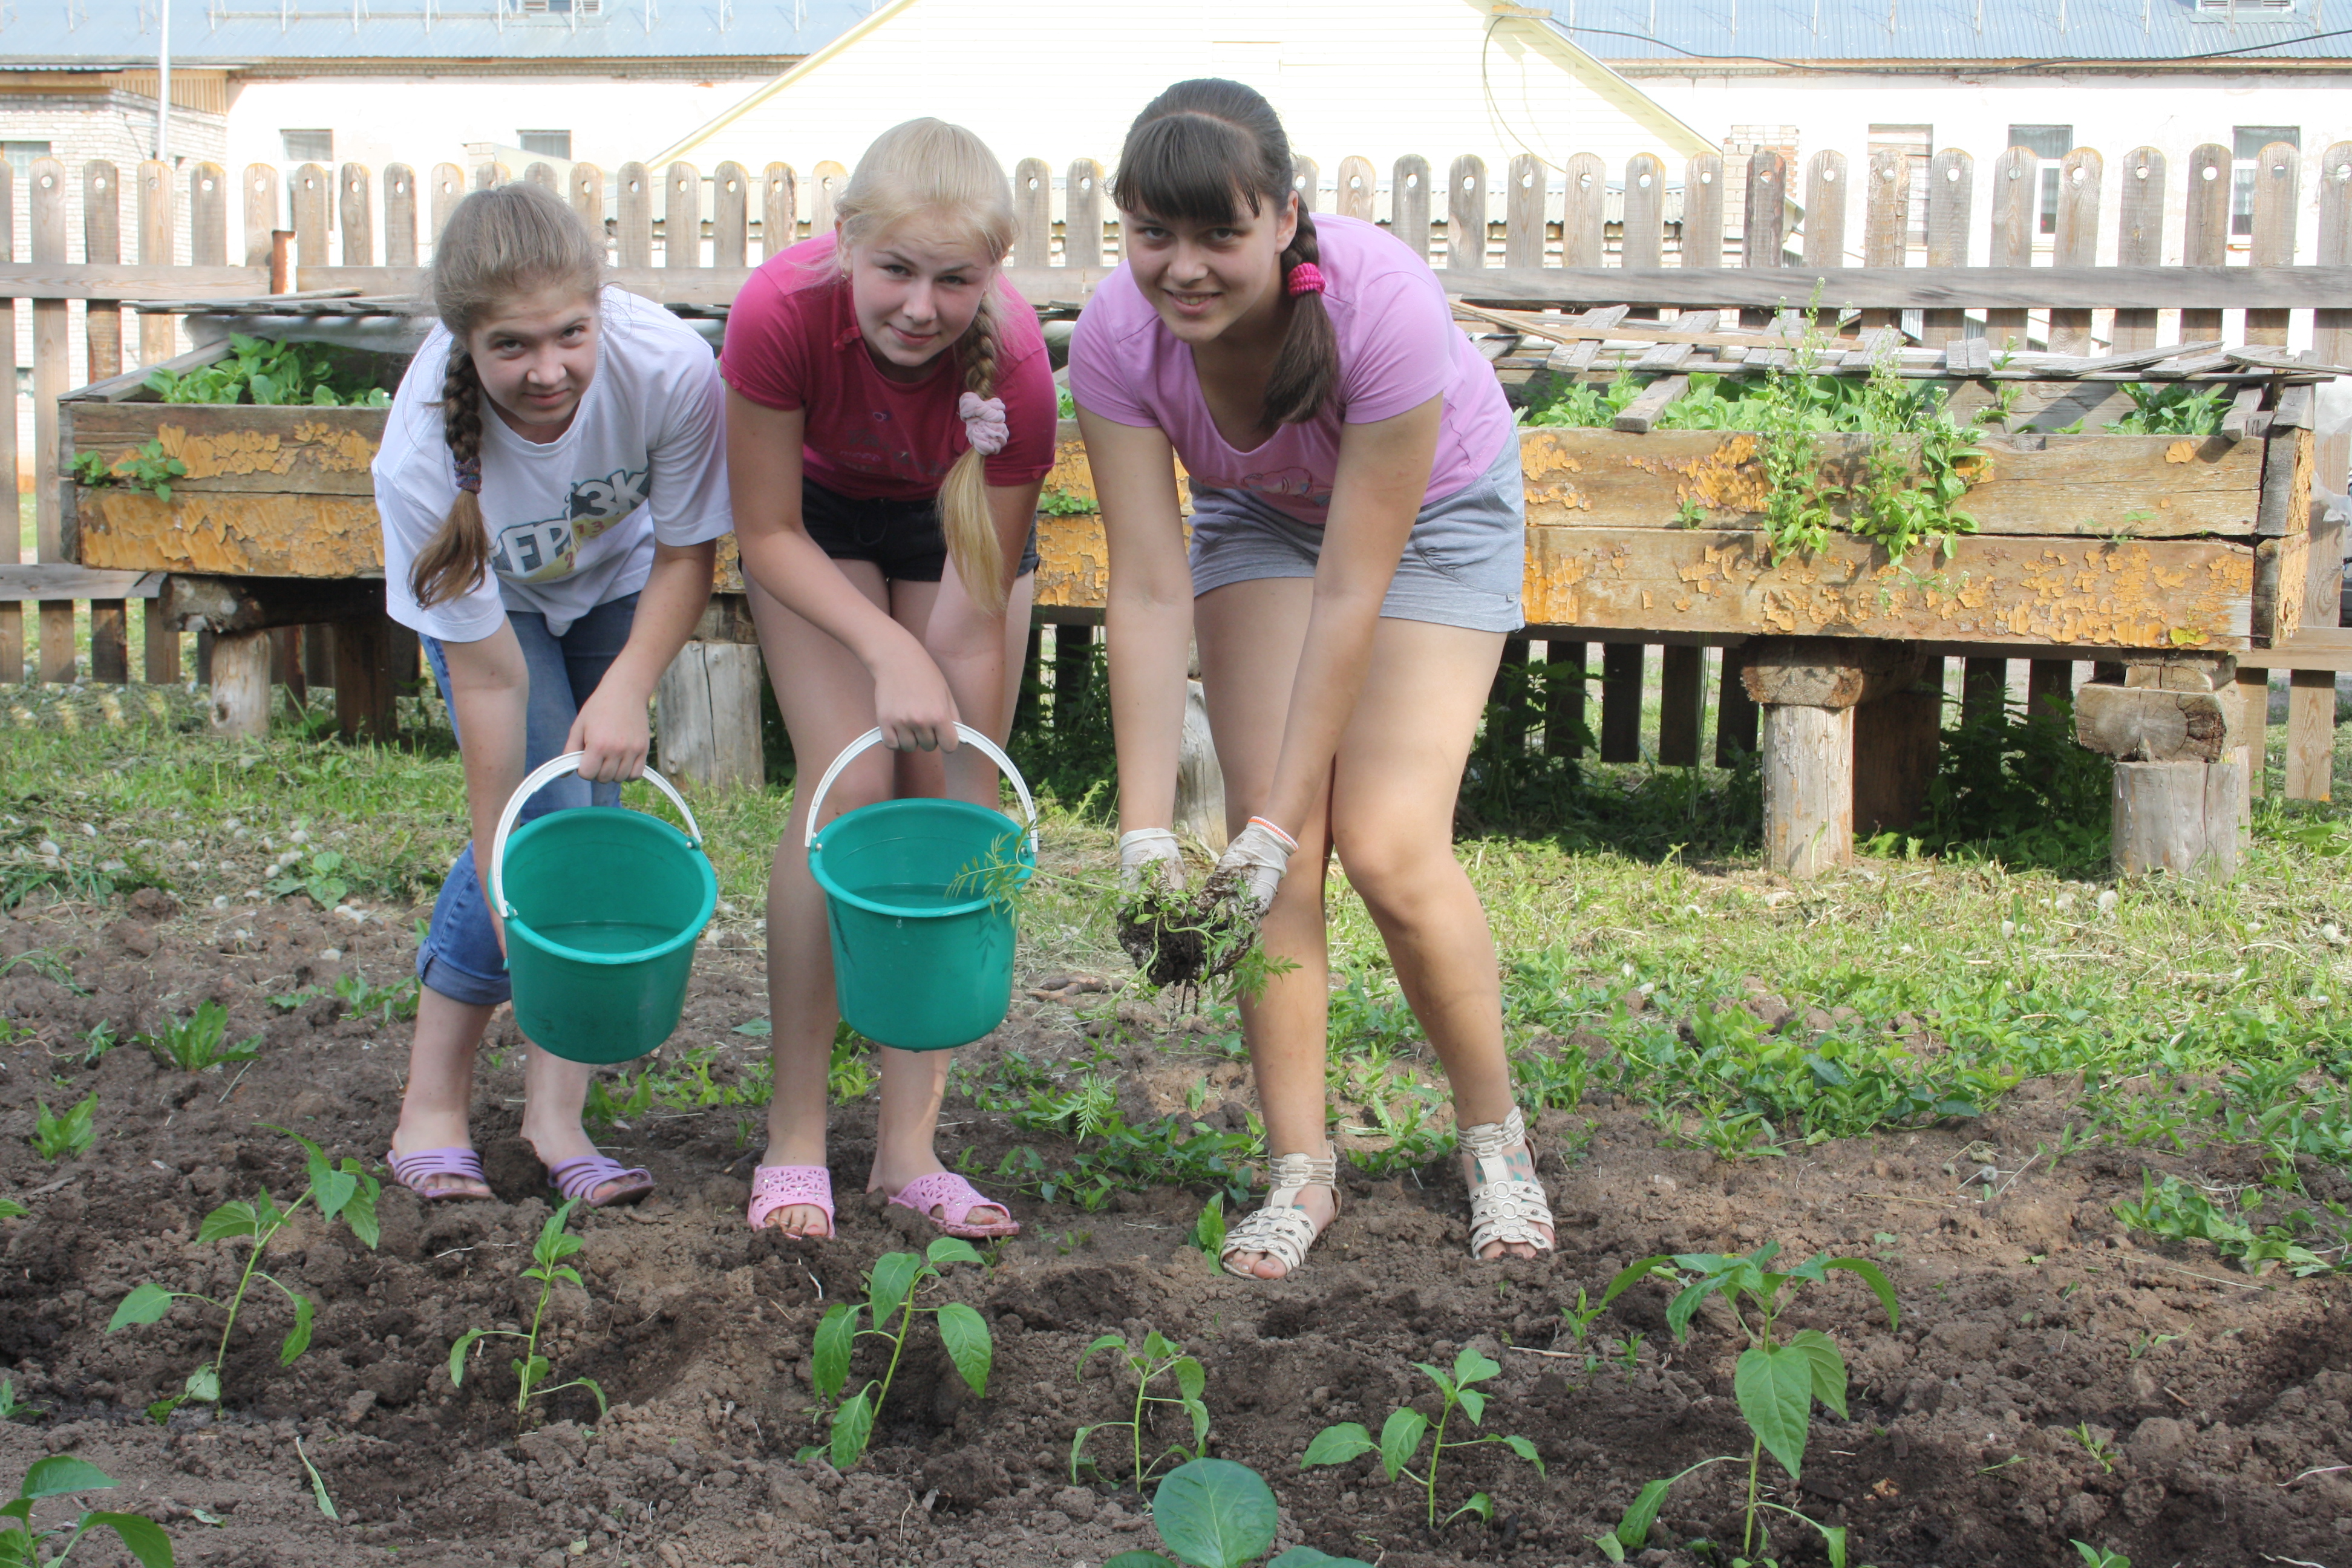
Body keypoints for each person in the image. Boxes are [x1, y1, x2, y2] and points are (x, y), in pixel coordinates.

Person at [1070, 79, 1554, 1279]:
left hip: (1433, 515)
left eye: (1218, 234)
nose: (1184, 268)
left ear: (1286, 218)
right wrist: (1141, 836)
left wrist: (1295, 821)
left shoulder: (1381, 304)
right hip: (1260, 520)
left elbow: (1355, 589)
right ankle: (1300, 1168)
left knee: (1385, 844)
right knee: (1254, 863)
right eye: (1153, 235)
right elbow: (1143, 590)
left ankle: (1496, 1142)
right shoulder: (1116, 339)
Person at [722, 119, 1055, 1241]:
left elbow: (974, 596)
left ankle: (908, 1150)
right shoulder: (779, 313)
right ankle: (798, 1137)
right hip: (812, 528)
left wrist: (946, 729)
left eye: (955, 280)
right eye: (897, 270)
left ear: (992, 275)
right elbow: (764, 531)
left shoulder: (1014, 369)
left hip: (954, 528)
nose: (921, 306)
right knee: (847, 792)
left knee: (945, 812)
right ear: (844, 242)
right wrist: (883, 648)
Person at [377, 181, 731, 1206]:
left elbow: (685, 550)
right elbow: (489, 677)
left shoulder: (665, 366)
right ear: (466, 343)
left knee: (595, 830)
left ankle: (555, 1116)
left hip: (625, 587)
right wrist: (503, 860)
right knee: (539, 843)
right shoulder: (418, 460)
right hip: (501, 618)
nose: (548, 371)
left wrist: (627, 688)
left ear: (601, 306)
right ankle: (430, 1110)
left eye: (570, 335)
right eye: (512, 348)